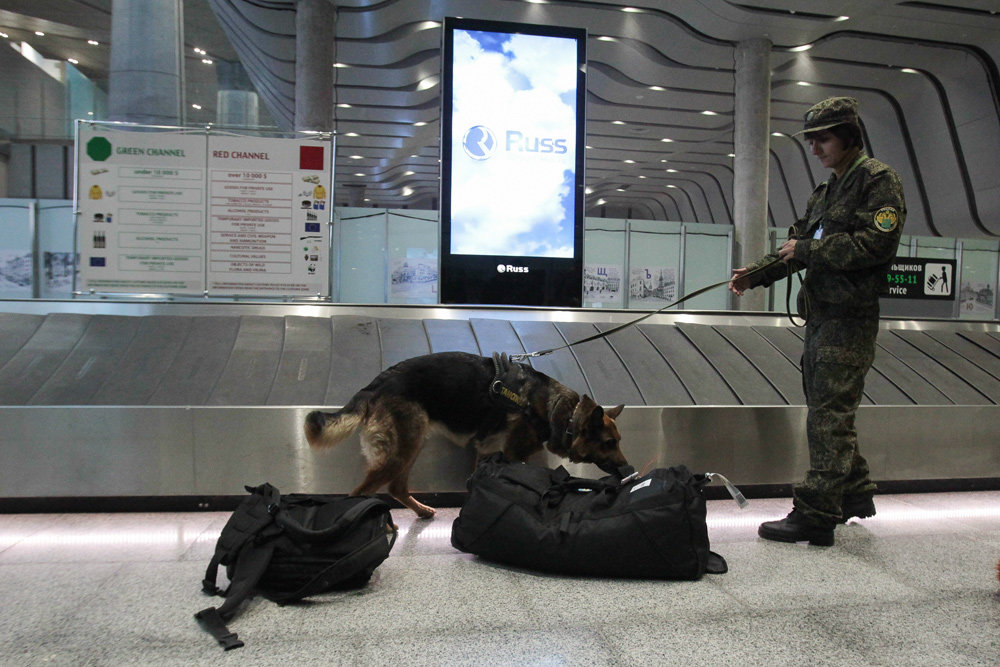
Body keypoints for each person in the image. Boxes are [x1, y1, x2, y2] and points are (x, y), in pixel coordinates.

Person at [729, 96, 906, 546]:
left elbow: (875, 245)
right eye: (811, 141)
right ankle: (853, 492)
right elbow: (797, 243)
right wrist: (755, 275)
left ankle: (816, 514)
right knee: (829, 411)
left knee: (828, 416)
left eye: (822, 139)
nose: (814, 149)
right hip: (821, 318)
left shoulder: (878, 181)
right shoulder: (827, 191)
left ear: (849, 136)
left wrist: (807, 250)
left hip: (850, 320)